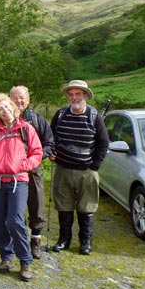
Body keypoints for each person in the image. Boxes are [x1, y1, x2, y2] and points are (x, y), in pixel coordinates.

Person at [0, 93, 43, 282]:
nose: (5, 111)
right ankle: (6, 257)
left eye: (7, 107)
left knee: (15, 220)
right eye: (1, 109)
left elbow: (37, 152)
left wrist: (23, 166)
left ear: (13, 108)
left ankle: (25, 261)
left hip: (19, 181)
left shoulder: (26, 129)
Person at [49, 80, 109, 256]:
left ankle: (85, 243)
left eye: (78, 94)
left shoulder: (94, 117)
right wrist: (52, 152)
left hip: (87, 171)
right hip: (62, 169)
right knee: (64, 206)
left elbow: (103, 143)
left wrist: (95, 165)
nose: (74, 97)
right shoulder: (60, 115)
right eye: (71, 94)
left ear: (85, 96)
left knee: (87, 208)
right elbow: (51, 137)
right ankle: (63, 241)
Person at [10, 85, 55, 259]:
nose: (18, 101)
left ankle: (35, 239)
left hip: (32, 169)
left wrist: (34, 159)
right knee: (14, 206)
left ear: (28, 99)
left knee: (36, 203)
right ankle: (15, 239)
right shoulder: (4, 118)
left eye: (22, 98)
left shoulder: (38, 120)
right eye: (15, 98)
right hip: (10, 171)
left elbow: (50, 144)